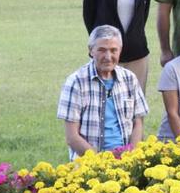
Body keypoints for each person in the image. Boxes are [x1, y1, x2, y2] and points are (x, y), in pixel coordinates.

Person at [57, 25, 149, 160]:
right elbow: (72, 137)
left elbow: (138, 123)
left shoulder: (129, 79)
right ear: (91, 51)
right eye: (102, 50)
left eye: (113, 50)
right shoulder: (76, 82)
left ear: (120, 51)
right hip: (90, 162)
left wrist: (131, 157)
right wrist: (102, 162)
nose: (108, 56)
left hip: (126, 160)